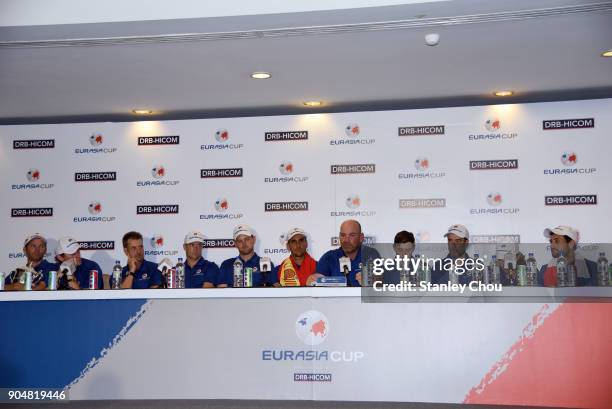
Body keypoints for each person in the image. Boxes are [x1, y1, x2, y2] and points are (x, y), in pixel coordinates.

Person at [316, 219, 381, 287]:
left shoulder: (371, 254)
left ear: (361, 237)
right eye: (343, 235)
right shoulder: (329, 257)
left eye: (352, 235)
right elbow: (317, 282)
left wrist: (372, 280)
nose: (346, 240)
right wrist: (313, 280)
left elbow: (381, 280)